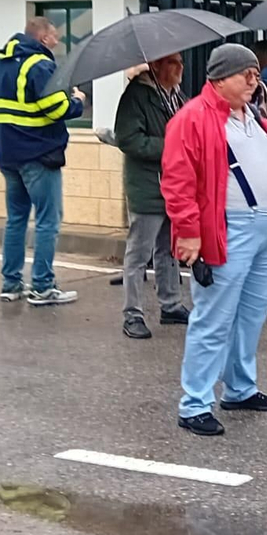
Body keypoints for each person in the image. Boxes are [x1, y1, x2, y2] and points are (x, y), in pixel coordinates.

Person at [164, 43, 267, 436]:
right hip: (230, 227)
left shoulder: (253, 115)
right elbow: (177, 181)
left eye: (256, 74)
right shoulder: (193, 118)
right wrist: (189, 232)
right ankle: (194, 403)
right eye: (246, 75)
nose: (255, 81)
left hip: (265, 226)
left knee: (251, 313)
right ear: (220, 78)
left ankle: (240, 387)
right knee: (214, 318)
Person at [0, 16, 85, 306]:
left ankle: (11, 284)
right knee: (47, 221)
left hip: (7, 155)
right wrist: (78, 100)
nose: (57, 40)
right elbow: (56, 109)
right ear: (43, 38)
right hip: (38, 154)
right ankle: (42, 286)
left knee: (16, 220)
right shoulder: (39, 65)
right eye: (54, 36)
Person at [113, 54, 189, 339]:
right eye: (173, 62)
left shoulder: (175, 95)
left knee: (169, 249)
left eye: (181, 61)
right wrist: (171, 146)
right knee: (139, 253)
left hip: (174, 186)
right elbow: (129, 139)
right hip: (147, 186)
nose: (180, 67)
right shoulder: (136, 96)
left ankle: (171, 304)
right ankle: (132, 313)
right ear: (156, 66)